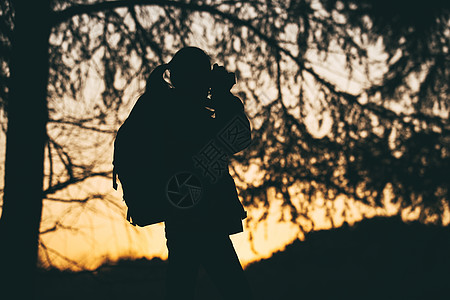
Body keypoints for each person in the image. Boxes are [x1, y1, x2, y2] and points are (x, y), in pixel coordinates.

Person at [143, 47, 253, 300]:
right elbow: (237, 137)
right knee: (235, 290)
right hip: (202, 217)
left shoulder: (168, 109)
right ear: (195, 79)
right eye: (205, 77)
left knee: (181, 286)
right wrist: (224, 96)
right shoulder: (183, 113)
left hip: (183, 214)